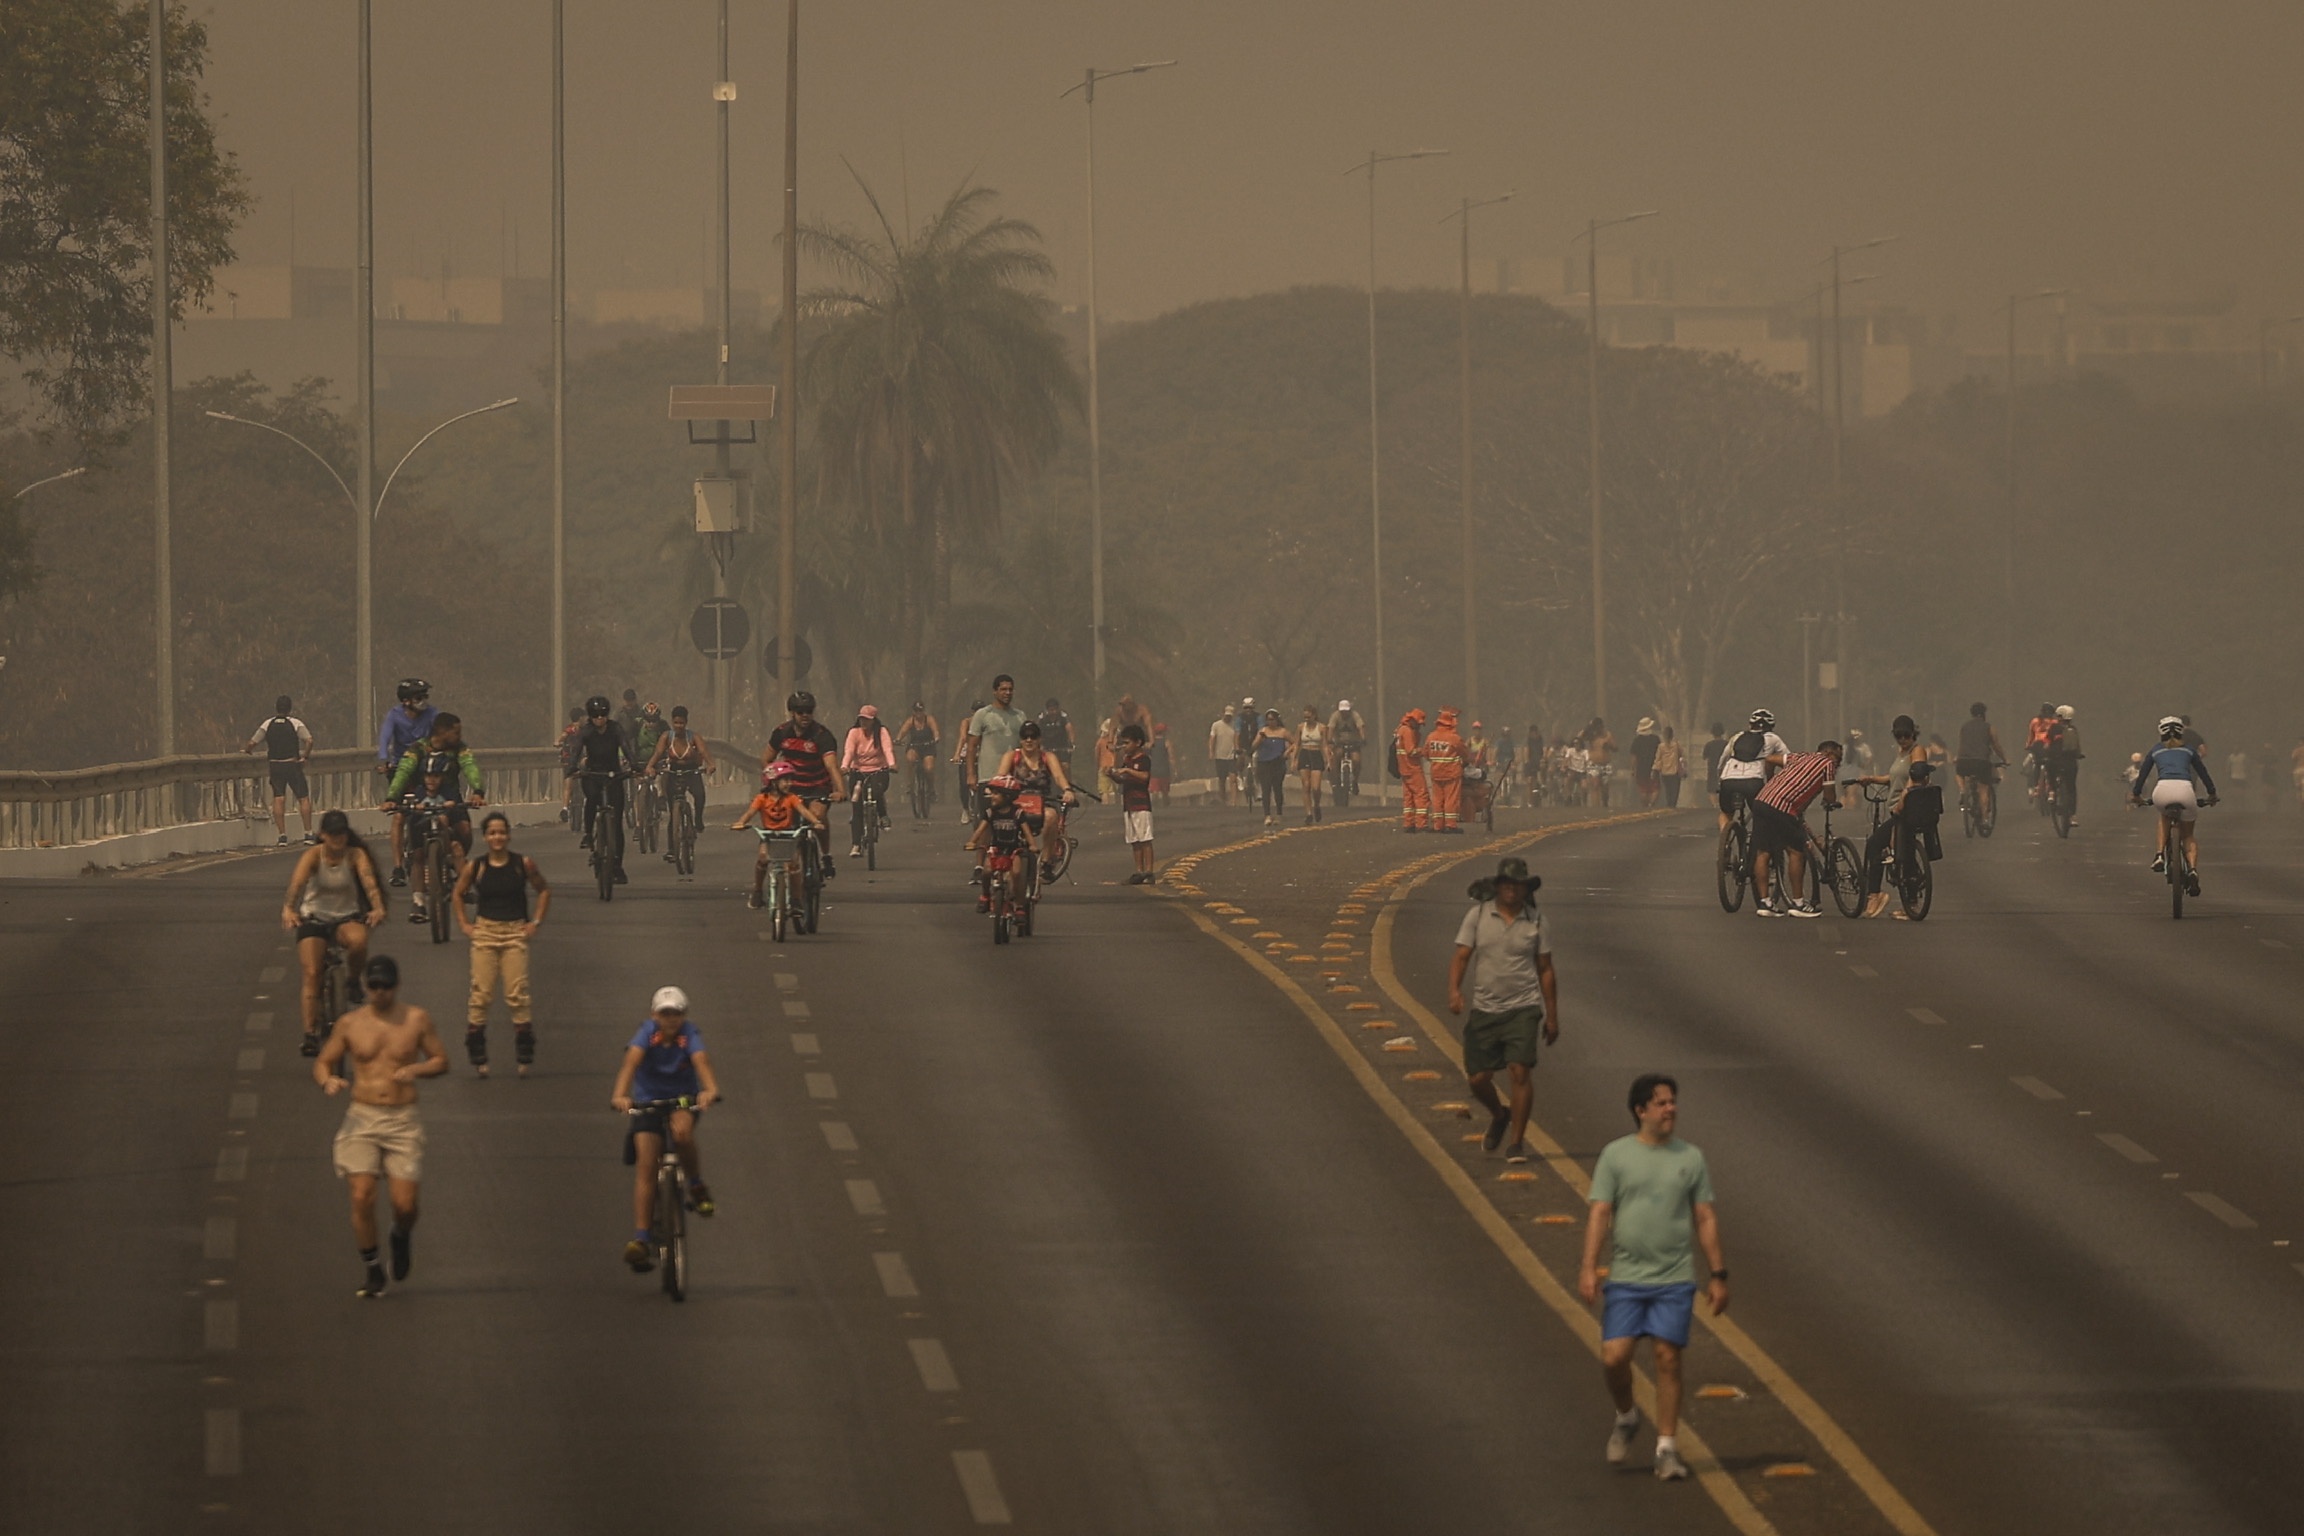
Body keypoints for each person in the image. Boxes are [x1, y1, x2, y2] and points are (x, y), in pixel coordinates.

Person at [1579, 1074, 1728, 1483]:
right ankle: (1627, 1416)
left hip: (1674, 1278)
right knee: (1614, 1357)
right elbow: (1599, 1212)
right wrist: (1588, 1267)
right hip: (1627, 1277)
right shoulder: (1615, 1156)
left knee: (1667, 1358)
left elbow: (1705, 1217)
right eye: (1661, 1103)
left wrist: (1718, 1275)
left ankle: (1667, 1448)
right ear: (1640, 1111)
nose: (1670, 1109)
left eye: (1672, 1102)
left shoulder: (1690, 1158)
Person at [315, 954, 448, 1299]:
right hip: (362, 1117)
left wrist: (415, 1070)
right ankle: (372, 1267)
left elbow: (440, 1060)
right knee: (361, 1195)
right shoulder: (349, 1024)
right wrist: (327, 1080)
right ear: (366, 987)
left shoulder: (416, 1019)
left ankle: (400, 1236)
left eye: (386, 986)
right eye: (374, 986)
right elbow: (324, 1061)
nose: (380, 993)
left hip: (403, 1119)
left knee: (405, 1206)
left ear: (396, 986)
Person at [1446, 856, 1558, 1165]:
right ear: (1497, 888)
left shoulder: (1536, 921)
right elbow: (1462, 956)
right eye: (1507, 885)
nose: (1512, 891)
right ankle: (1499, 1113)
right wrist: (1455, 991)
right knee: (1478, 1078)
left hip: (1523, 1007)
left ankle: (1516, 1143)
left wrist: (1552, 1015)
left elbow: (1546, 969)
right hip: (1485, 1007)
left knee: (1519, 1070)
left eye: (1517, 886)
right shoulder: (1478, 915)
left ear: (1525, 890)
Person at [611, 986, 721, 1271]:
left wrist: (710, 1090)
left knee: (682, 1133)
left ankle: (696, 1184)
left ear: (684, 1015)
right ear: (654, 1015)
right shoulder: (646, 1033)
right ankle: (642, 1238)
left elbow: (702, 1062)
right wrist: (621, 1095)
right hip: (648, 1101)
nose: (670, 1019)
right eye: (665, 1013)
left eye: (676, 1014)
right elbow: (631, 1063)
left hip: (681, 1099)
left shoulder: (690, 1035)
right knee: (647, 1165)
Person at [281, 809, 389, 1056]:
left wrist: (377, 908)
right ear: (322, 835)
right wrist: (288, 909)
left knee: (360, 942)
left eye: (341, 833)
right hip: (314, 918)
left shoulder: (355, 855)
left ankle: (351, 981)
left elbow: (369, 882)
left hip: (345, 918)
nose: (338, 839)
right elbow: (296, 885)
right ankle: (309, 1034)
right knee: (312, 972)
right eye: (332, 834)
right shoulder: (312, 856)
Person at [451, 811, 550, 1076]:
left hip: (515, 931)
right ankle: (476, 1046)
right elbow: (458, 894)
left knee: (517, 992)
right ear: (485, 837)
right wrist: (464, 925)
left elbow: (544, 890)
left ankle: (524, 1046)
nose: (498, 837)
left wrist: (535, 923)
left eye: (502, 832)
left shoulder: (522, 864)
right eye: (492, 833)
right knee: (481, 992)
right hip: (485, 931)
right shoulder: (477, 867)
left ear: (508, 835)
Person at [1750, 738, 1843, 917]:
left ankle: (1765, 903)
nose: (1838, 764)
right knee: (1796, 852)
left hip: (1761, 800)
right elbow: (1830, 796)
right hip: (1782, 807)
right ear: (1829, 754)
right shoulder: (1827, 764)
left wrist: (1770, 781)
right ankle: (1798, 903)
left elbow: (1769, 759)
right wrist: (1830, 800)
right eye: (1838, 758)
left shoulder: (1800, 756)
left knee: (1763, 852)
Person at [763, 690, 847, 877]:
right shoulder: (781, 733)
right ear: (792, 713)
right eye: (800, 711)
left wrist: (841, 790)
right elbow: (767, 759)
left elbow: (832, 766)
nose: (805, 715)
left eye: (809, 711)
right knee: (788, 825)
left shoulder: (822, 735)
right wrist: (772, 783)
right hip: (791, 786)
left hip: (818, 785)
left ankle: (826, 855)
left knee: (816, 815)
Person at [2130, 716, 2218, 894]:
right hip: (2185, 790)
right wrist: (2212, 794)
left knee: (2163, 816)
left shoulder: (2155, 750)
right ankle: (2192, 869)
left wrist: (2137, 796)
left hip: (2162, 790)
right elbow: (2203, 774)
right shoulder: (2189, 750)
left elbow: (2142, 776)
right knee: (2188, 835)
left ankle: (2160, 855)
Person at [1855, 716, 1926, 918]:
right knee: (1901, 852)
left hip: (1908, 809)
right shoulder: (1901, 753)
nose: (1902, 739)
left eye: (1906, 735)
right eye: (1898, 735)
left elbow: (1917, 776)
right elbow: (1894, 777)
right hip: (1898, 809)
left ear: (1914, 733)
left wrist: (1905, 795)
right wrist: (1872, 779)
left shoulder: (1917, 751)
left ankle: (1876, 895)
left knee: (1877, 844)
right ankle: (1902, 901)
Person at [566, 694, 641, 884]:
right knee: (591, 798)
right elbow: (576, 750)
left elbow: (626, 747)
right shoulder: (586, 731)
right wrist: (572, 768)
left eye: (603, 714)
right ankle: (589, 834)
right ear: (590, 716)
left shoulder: (616, 728)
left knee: (616, 825)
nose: (600, 718)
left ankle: (618, 865)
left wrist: (634, 766)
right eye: (596, 715)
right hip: (593, 774)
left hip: (614, 775)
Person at [733, 760, 827, 909]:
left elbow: (803, 811)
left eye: (790, 780)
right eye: (785, 780)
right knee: (763, 858)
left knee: (793, 864)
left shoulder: (791, 798)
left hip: (788, 835)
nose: (789, 784)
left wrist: (815, 822)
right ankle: (757, 891)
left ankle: (796, 900)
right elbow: (750, 813)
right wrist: (740, 823)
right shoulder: (761, 799)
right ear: (772, 782)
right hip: (768, 836)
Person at [376, 679, 438, 886]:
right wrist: (385, 761)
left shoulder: (432, 714)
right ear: (406, 702)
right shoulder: (394, 716)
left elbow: (441, 734)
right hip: (400, 769)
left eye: (425, 697)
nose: (424, 701)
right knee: (400, 816)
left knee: (436, 809)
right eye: (419, 697)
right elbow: (385, 739)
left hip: (425, 768)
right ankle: (397, 867)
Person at [996, 718, 1079, 863]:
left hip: (1042, 801)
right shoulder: (1011, 757)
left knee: (1051, 816)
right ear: (1020, 740)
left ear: (1039, 739)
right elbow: (1000, 778)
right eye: (1025, 736)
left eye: (1033, 736)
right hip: (1017, 802)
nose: (1029, 740)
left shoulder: (1048, 757)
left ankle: (1046, 859)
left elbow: (1059, 776)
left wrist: (1067, 790)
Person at [242, 694, 315, 844]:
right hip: (292, 765)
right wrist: (305, 756)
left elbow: (252, 742)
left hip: (275, 766)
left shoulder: (267, 724)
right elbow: (309, 740)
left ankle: (282, 836)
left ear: (276, 708)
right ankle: (308, 833)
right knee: (303, 797)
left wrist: (248, 750)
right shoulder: (295, 723)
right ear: (290, 708)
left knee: (279, 798)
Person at [645, 705, 713, 857]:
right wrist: (650, 767)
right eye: (676, 723)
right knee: (673, 811)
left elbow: (704, 751)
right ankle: (672, 849)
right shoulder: (666, 737)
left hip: (691, 770)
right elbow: (658, 753)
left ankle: (698, 820)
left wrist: (710, 764)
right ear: (672, 722)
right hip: (673, 772)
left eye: (681, 723)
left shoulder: (693, 737)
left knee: (699, 795)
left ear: (686, 722)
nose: (679, 726)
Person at [964, 774, 1037, 913]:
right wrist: (972, 842)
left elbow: (1026, 832)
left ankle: (1019, 906)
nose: (992, 797)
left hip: (1014, 850)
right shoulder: (991, 813)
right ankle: (985, 895)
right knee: (986, 871)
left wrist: (1032, 845)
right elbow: (981, 830)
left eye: (996, 794)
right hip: (996, 849)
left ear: (1007, 796)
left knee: (1016, 873)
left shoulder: (1017, 813)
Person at [960, 676, 1026, 824]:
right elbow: (971, 746)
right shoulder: (983, 715)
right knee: (985, 822)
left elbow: (1027, 746)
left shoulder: (1020, 716)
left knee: (1017, 822)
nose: (1007, 693)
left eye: (1010, 689)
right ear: (995, 691)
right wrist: (971, 775)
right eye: (1003, 689)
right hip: (988, 777)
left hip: (1013, 779)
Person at [840, 705, 897, 857]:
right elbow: (849, 751)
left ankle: (883, 815)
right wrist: (845, 766)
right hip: (857, 772)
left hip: (879, 770)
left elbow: (887, 749)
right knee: (856, 804)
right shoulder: (854, 733)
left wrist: (891, 764)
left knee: (876, 790)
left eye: (867, 719)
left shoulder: (881, 731)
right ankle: (856, 844)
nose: (863, 722)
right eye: (861, 719)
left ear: (873, 720)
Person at [1716, 709, 1786, 831]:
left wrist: (1719, 778)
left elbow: (1723, 759)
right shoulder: (1773, 738)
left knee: (1726, 813)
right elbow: (1788, 758)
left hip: (1728, 780)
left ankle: (1725, 839)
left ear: (1750, 725)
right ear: (1771, 726)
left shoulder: (1737, 736)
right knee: (1761, 815)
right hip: (1753, 781)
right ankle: (1757, 841)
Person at [1111, 723, 1157, 883]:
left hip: (1141, 804)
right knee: (1134, 840)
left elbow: (1145, 777)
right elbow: (1121, 779)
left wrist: (1127, 771)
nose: (1124, 746)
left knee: (1145, 839)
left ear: (1137, 743)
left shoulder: (1143, 759)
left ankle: (1149, 871)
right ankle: (1139, 871)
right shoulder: (1127, 759)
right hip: (1128, 804)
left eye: (1127, 743)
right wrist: (1112, 775)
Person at [1954, 702, 2008, 826]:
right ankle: (1985, 819)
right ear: (1984, 714)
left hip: (1964, 760)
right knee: (1983, 788)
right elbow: (1996, 746)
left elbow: (1962, 744)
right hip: (1981, 762)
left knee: (1959, 773)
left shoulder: (1964, 727)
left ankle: (1963, 791)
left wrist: (1958, 757)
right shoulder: (1989, 727)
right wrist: (2004, 759)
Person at [1422, 708, 1465, 833]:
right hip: (1452, 773)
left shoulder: (1431, 737)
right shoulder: (1454, 738)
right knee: (1450, 800)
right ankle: (1450, 825)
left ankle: (1438, 825)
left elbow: (1426, 754)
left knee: (1437, 800)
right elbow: (1465, 753)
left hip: (1436, 773)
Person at [1248, 707, 1294, 827]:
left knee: (1277, 788)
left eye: (1272, 720)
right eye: (1268, 720)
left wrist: (1287, 752)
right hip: (1264, 762)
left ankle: (1279, 813)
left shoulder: (1283, 732)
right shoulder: (1263, 731)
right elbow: (1253, 746)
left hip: (1277, 762)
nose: (1270, 722)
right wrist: (1261, 740)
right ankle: (1267, 815)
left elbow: (1295, 743)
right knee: (1266, 789)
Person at [897, 702, 942, 816]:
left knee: (929, 768)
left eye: (920, 711)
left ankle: (931, 789)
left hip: (928, 746)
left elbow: (935, 730)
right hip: (915, 746)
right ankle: (911, 784)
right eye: (916, 711)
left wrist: (936, 738)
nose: (918, 714)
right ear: (913, 712)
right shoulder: (910, 721)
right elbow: (903, 731)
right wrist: (898, 739)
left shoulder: (929, 720)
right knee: (910, 759)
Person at [2043, 704, 2084, 825]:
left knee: (2049, 770)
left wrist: (2046, 752)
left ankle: (2052, 791)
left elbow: (2046, 744)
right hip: (2070, 762)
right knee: (2071, 788)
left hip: (2055, 760)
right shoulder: (2073, 729)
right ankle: (2073, 816)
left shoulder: (2054, 728)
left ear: (2060, 716)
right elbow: (2077, 748)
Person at [1394, 708, 1430, 832]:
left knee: (1408, 797)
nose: (1419, 726)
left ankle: (1408, 823)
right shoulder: (1408, 731)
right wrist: (1424, 751)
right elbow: (1411, 751)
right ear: (1412, 720)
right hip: (1412, 767)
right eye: (1418, 723)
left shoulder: (1400, 730)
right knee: (1421, 795)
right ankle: (1421, 824)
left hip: (1403, 768)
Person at [1295, 705, 1329, 824]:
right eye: (1305, 717)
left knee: (1316, 787)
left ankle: (1317, 805)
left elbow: (1324, 745)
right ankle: (1308, 813)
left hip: (1316, 755)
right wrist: (1294, 759)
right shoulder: (1300, 727)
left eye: (1309, 717)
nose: (1307, 719)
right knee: (1306, 785)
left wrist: (1328, 759)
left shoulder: (1322, 728)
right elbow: (1297, 744)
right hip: (1304, 754)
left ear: (1314, 716)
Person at [1327, 699, 1365, 807]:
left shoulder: (1355, 715)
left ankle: (1355, 781)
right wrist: (1329, 739)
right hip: (1339, 743)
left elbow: (1360, 726)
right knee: (1337, 755)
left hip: (1353, 742)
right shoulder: (1335, 716)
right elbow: (1330, 728)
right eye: (1342, 711)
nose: (1344, 713)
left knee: (1356, 760)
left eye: (1346, 711)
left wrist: (1363, 738)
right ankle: (1336, 777)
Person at [1207, 705, 1241, 808]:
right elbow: (1212, 738)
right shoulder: (1216, 725)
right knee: (1221, 779)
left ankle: (1234, 801)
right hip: (1220, 756)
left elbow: (1238, 738)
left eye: (1230, 716)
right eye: (1226, 716)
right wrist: (1211, 751)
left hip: (1232, 756)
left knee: (1233, 779)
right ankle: (1223, 800)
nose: (1228, 718)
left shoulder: (1235, 725)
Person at [556, 706, 585, 822]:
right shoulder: (571, 730)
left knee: (568, 782)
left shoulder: (575, 729)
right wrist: (558, 742)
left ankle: (565, 807)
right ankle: (565, 809)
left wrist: (557, 743)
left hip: (574, 759)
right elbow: (562, 738)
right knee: (569, 782)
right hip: (571, 759)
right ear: (580, 718)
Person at [1584, 718, 1618, 808]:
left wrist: (1609, 745)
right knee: (1595, 785)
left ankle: (1605, 803)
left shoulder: (1607, 735)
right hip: (1593, 763)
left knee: (1605, 787)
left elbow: (1615, 748)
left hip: (1605, 764)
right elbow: (1579, 738)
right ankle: (1596, 807)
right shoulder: (1591, 735)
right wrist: (1588, 727)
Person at [1631, 717, 1663, 809]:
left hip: (1641, 768)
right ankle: (1651, 805)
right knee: (1655, 788)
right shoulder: (1655, 739)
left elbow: (1633, 756)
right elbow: (1659, 752)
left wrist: (1633, 769)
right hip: (1654, 767)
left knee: (1643, 789)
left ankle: (1644, 806)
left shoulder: (1637, 740)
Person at [1038, 697, 1077, 771]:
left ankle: (1067, 781)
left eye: (1056, 709)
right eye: (1051, 710)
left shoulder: (1063, 716)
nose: (1054, 712)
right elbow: (1037, 731)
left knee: (1065, 767)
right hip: (1047, 746)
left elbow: (1069, 728)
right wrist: (1039, 745)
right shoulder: (1042, 717)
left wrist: (1072, 743)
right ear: (1047, 710)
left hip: (1062, 746)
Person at [1654, 725, 1685, 808]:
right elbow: (1682, 755)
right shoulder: (1676, 745)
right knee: (1675, 791)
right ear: (1672, 735)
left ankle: (1669, 806)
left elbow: (1658, 759)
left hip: (1665, 772)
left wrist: (1655, 770)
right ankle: (1672, 806)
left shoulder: (1661, 747)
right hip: (1675, 772)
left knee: (1668, 791)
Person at [1147, 723, 1173, 806]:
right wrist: (1175, 768)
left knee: (1154, 791)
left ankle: (1155, 808)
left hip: (1153, 769)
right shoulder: (1167, 742)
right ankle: (1166, 808)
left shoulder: (1150, 744)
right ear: (1164, 732)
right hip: (1164, 770)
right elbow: (1171, 756)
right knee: (1165, 792)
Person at [1701, 723, 1729, 801]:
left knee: (1712, 789)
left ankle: (1714, 805)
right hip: (1724, 769)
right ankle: (1722, 804)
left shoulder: (1709, 745)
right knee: (1723, 787)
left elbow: (1704, 757)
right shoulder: (1726, 744)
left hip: (1712, 769)